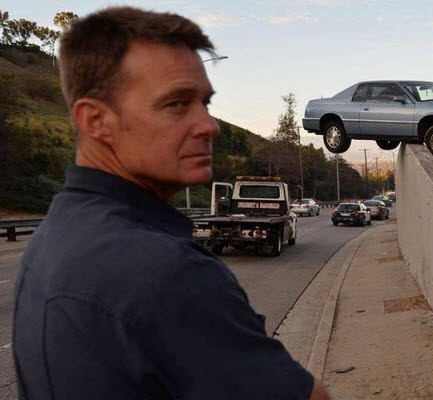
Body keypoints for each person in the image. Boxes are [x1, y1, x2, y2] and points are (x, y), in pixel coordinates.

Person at [13, 7, 330, 400]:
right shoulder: (165, 271)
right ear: (96, 121)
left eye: (205, 102)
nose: (208, 125)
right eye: (176, 104)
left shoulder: (54, 236)